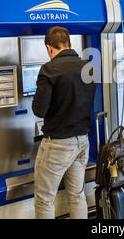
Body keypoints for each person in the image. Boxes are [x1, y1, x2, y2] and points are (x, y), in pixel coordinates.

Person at [32, 26, 97, 219]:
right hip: (82, 141)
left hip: (58, 144)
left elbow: (39, 110)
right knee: (77, 195)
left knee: (45, 200)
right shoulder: (89, 67)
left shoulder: (49, 69)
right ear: (70, 44)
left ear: (49, 48)